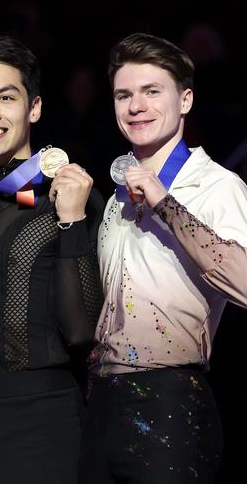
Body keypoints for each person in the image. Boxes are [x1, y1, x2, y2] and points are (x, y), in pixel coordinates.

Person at [80, 32, 247, 484]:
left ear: (185, 100)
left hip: (171, 399)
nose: (136, 106)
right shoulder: (115, 194)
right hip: (102, 399)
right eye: (124, 95)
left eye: (152, 91)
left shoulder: (216, 185)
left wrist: (165, 204)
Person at [0, 34, 103, 484]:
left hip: (42, 421)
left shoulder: (70, 198)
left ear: (33, 108)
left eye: (6, 98)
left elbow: (82, 329)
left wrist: (70, 221)